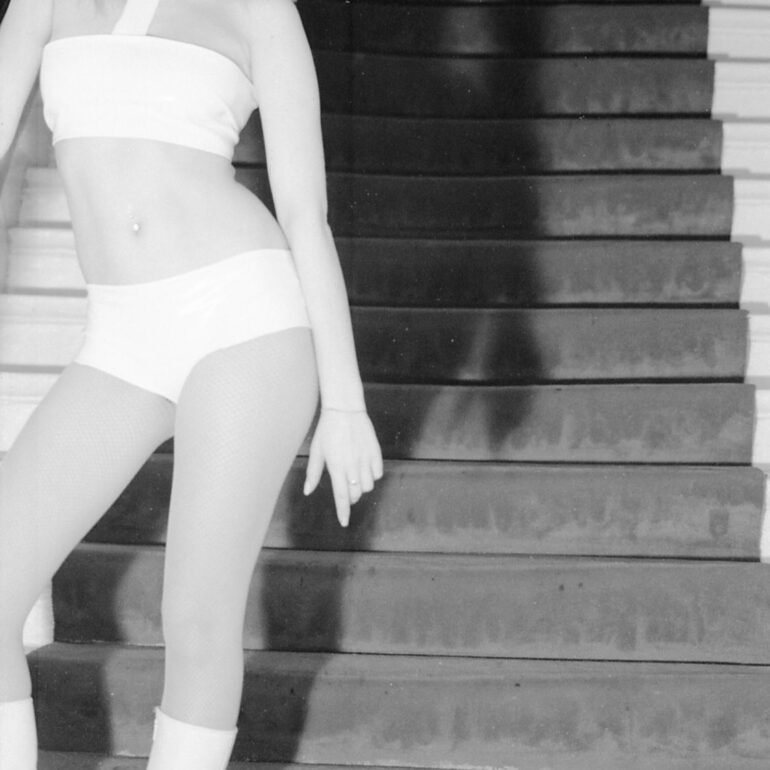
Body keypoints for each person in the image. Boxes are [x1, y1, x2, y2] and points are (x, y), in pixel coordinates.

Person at [0, 0, 384, 767]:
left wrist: (345, 403)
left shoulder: (261, 10)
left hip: (242, 321)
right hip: (119, 338)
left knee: (197, 618)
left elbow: (305, 214)